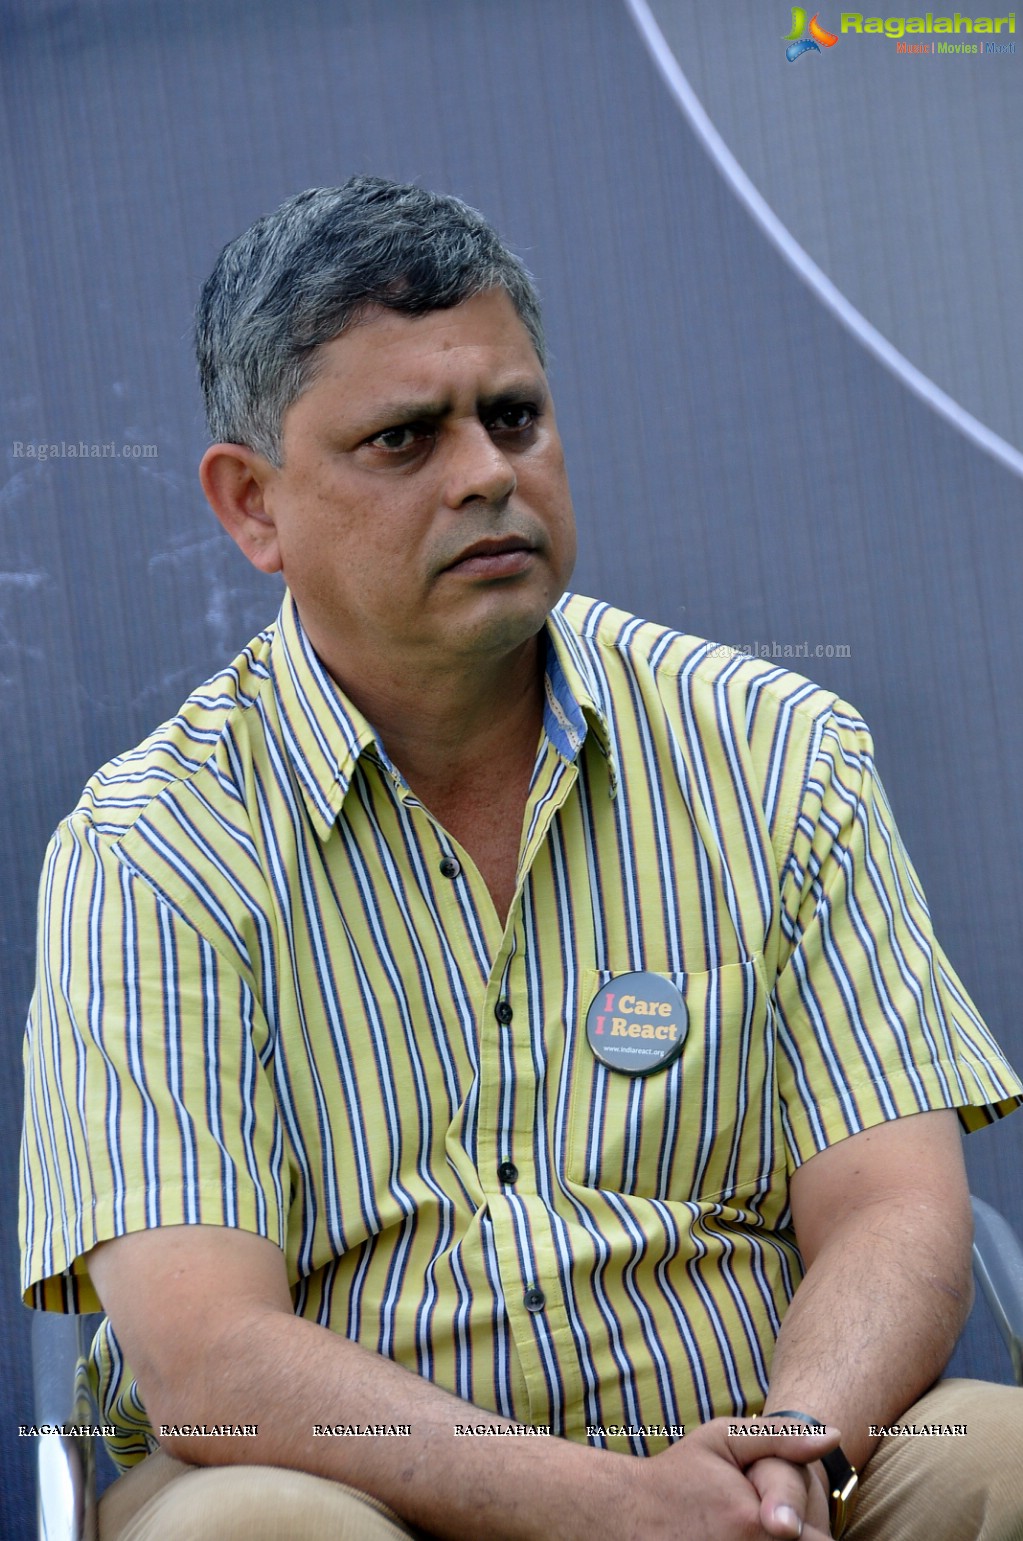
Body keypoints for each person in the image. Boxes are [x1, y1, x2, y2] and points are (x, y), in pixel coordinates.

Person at [19, 177, 1023, 1541]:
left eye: (512, 416)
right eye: (403, 438)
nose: (487, 471)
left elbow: (898, 1210)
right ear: (253, 505)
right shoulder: (150, 850)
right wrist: (605, 1504)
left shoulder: (778, 747)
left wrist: (785, 1459)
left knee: (1001, 1453)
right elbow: (207, 1354)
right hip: (366, 1497)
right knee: (240, 1528)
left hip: (769, 1470)